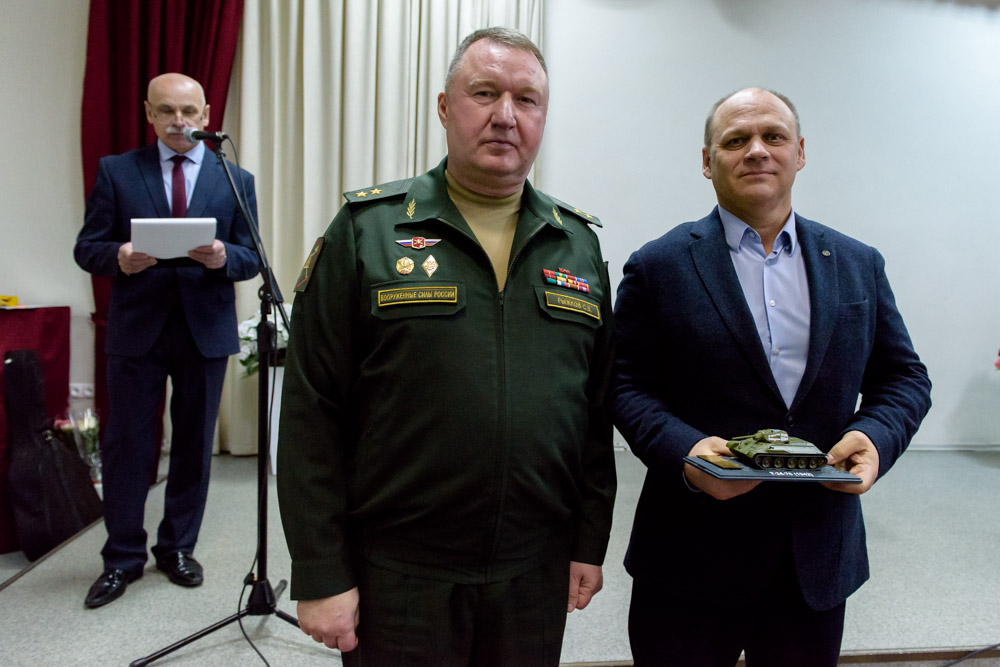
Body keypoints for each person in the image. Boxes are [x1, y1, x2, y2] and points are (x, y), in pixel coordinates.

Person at [277, 27, 616, 666]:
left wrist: (588, 540)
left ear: (543, 116)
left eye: (527, 99)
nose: (506, 116)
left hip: (533, 571)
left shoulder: (576, 244)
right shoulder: (368, 231)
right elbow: (310, 411)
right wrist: (321, 571)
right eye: (484, 93)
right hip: (402, 572)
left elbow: (594, 414)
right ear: (443, 106)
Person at [612, 87, 931, 666]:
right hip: (689, 557)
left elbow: (904, 378)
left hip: (813, 563)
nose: (756, 150)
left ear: (800, 152)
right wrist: (685, 451)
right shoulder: (658, 266)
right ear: (707, 161)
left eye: (773, 136)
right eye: (736, 140)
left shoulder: (857, 263)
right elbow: (625, 385)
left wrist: (875, 437)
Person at [74, 73, 260, 608]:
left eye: (188, 111)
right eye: (166, 111)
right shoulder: (117, 171)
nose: (179, 122)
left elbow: (252, 257)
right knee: (128, 445)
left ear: (206, 116)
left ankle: (177, 548)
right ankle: (121, 557)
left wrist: (224, 257)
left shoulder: (235, 178)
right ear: (149, 114)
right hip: (137, 329)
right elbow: (87, 247)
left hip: (204, 329)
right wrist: (119, 257)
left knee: (195, 446)